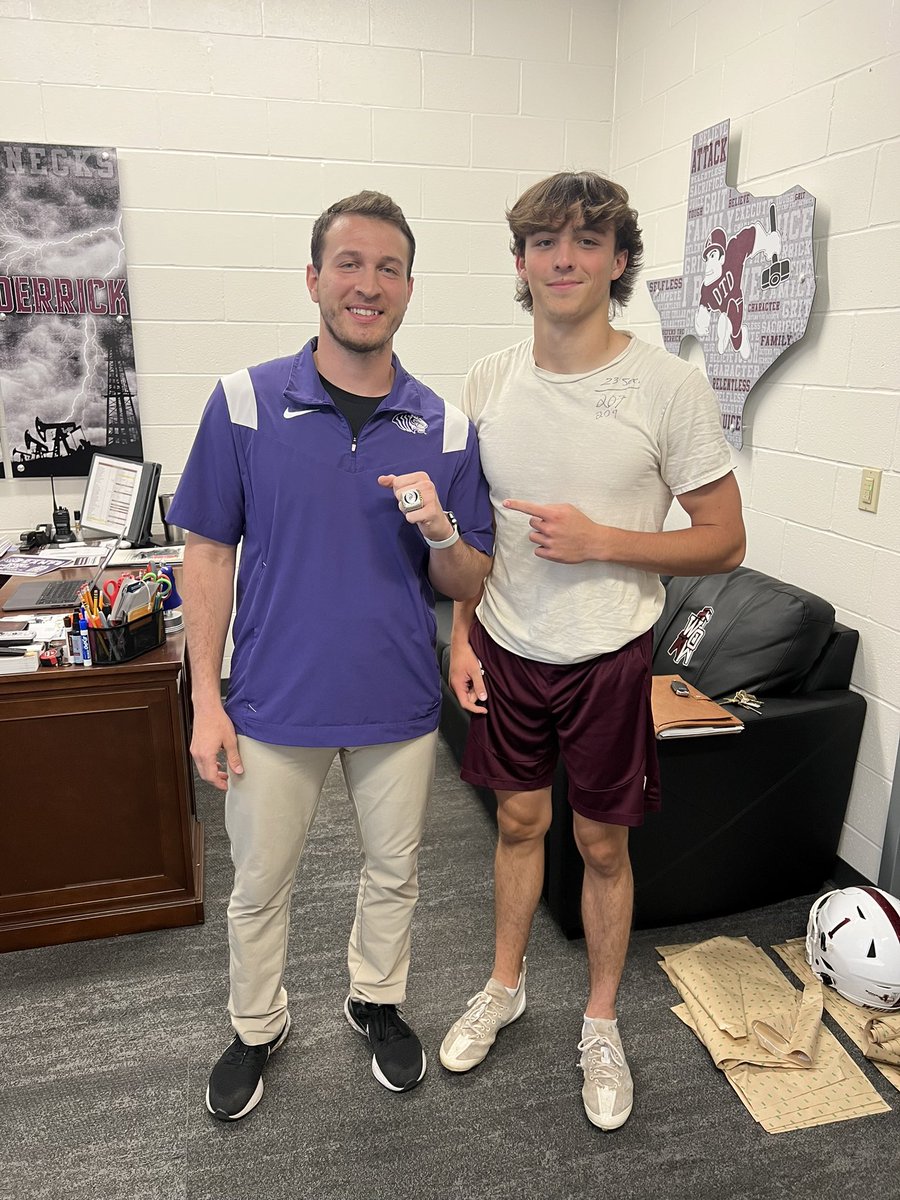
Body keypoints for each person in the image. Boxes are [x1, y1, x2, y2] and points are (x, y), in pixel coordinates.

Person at [165, 191, 493, 1121]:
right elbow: (207, 555)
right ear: (314, 279)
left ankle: (374, 1000)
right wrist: (206, 701)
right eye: (349, 264)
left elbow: (469, 576)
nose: (368, 285)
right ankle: (256, 1025)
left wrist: (439, 529)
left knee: (395, 873)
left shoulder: (446, 426)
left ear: (410, 288)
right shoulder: (243, 403)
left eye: (389, 268)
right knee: (260, 885)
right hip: (273, 699)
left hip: (396, 701)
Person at [438, 171, 745, 1130]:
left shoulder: (669, 386)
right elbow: (476, 535)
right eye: (544, 242)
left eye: (584, 241)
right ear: (521, 261)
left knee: (602, 843)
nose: (562, 259)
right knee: (517, 824)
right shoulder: (488, 381)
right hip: (506, 644)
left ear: (619, 261)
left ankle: (602, 1022)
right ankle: (505, 986)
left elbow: (725, 541)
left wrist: (602, 539)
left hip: (610, 652)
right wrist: (461, 635)